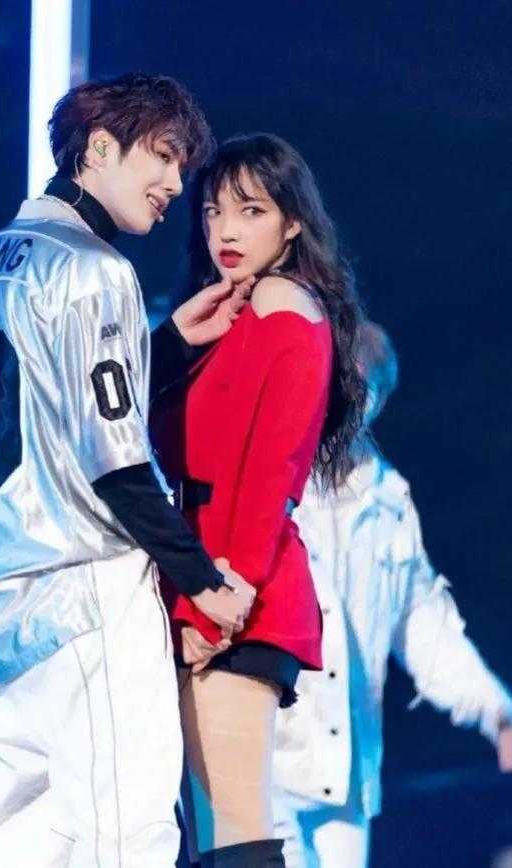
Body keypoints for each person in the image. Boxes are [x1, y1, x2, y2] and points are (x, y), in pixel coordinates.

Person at [0, 73, 257, 868]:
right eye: (162, 156)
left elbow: (54, 407)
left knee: (13, 838)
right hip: (82, 586)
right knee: (128, 832)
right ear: (99, 148)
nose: (175, 183)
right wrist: (199, 577)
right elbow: (114, 461)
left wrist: (163, 347)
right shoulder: (95, 268)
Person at [151, 133, 367, 867]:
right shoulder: (229, 313)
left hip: (237, 589)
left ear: (292, 222)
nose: (227, 231)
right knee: (213, 835)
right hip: (203, 576)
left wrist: (222, 595)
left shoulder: (284, 306)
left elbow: (271, 469)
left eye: (251, 211)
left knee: (236, 832)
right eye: (214, 212)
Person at [270, 321, 512, 867]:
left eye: (365, 395)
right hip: (262, 754)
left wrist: (497, 711)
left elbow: (427, 631)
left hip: (346, 769)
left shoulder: (389, 503)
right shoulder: (263, 478)